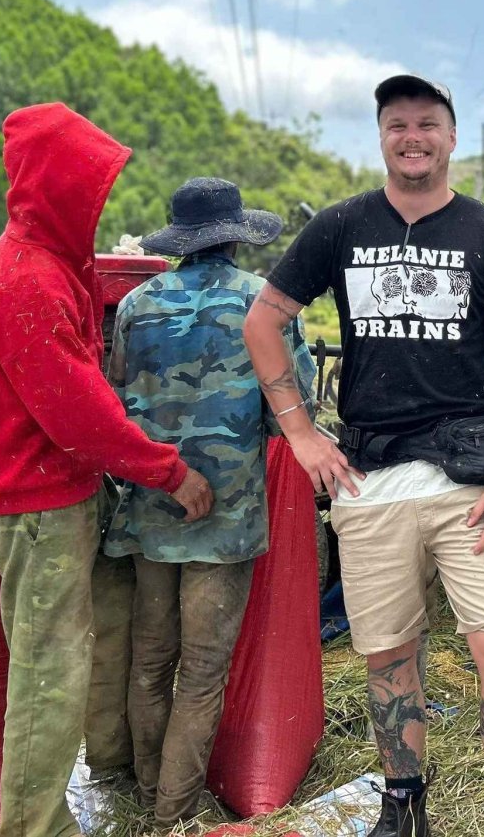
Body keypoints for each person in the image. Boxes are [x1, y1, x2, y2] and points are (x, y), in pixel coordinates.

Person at [244, 75, 484, 837]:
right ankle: (403, 802)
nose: (413, 138)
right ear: (381, 138)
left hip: (470, 480)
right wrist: (301, 432)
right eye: (398, 125)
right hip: (370, 475)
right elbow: (264, 321)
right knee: (387, 656)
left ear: (452, 136)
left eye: (428, 125)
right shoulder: (342, 226)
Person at [0, 103, 214, 837]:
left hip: (62, 491)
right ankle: (36, 825)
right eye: (89, 187)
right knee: (48, 670)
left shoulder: (53, 263)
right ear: (53, 187)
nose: (97, 202)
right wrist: (168, 471)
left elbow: (87, 380)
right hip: (37, 505)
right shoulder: (23, 281)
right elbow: (78, 412)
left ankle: (80, 790)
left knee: (81, 645)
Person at [103, 178, 317, 825]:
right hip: (224, 522)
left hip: (149, 509)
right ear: (236, 235)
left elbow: (116, 402)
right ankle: (176, 812)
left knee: (151, 662)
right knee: (199, 672)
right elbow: (291, 414)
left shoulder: (137, 306)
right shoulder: (264, 306)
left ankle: (146, 794)